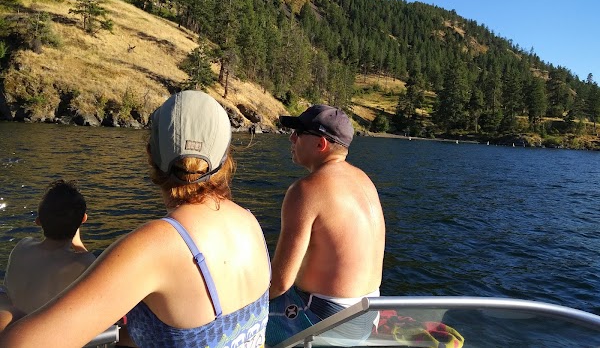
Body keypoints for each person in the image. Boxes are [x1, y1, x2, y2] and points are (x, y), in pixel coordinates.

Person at [0, 90, 271, 348]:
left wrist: (7, 304)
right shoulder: (250, 223)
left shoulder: (155, 247)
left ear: (151, 153)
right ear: (225, 159)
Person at [266, 104, 386, 346]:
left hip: (327, 319)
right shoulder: (364, 180)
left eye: (298, 133)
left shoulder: (306, 190)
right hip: (368, 314)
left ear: (321, 144)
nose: (291, 138)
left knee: (238, 320)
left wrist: (243, 302)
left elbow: (280, 283)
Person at [2, 179, 96, 316]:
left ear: (38, 221)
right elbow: (98, 277)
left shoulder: (22, 246)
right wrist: (78, 244)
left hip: (15, 325)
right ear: (83, 219)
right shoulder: (83, 262)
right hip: (47, 329)